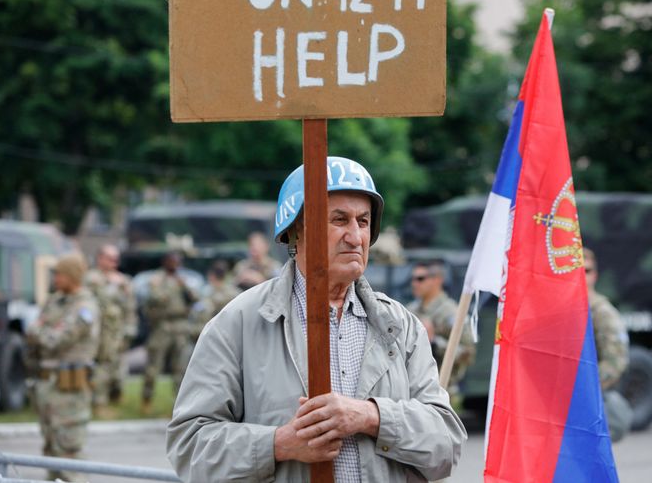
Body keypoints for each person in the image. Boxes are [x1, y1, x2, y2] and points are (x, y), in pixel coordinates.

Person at [167, 156, 466, 482]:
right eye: (340, 220)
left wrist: (370, 416)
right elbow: (190, 447)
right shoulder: (238, 324)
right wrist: (278, 444)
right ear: (297, 229)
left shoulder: (400, 327)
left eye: (364, 222)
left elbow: (446, 446)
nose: (355, 237)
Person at [25, 253, 100, 482]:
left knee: (69, 450)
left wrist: (38, 331)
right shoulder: (55, 300)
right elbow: (36, 333)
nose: (55, 278)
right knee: (49, 447)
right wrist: (39, 332)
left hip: (70, 390)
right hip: (47, 385)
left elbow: (55, 340)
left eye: (59, 274)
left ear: (71, 276)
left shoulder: (85, 306)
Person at [406, 260, 475, 396]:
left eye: (420, 279)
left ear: (437, 280)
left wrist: (434, 341)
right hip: (411, 388)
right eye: (413, 279)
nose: (415, 284)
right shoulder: (410, 311)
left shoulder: (452, 313)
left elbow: (468, 354)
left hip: (443, 389)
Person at [583, 248, 631, 441]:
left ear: (594, 275)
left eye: (586, 271)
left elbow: (615, 363)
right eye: (576, 269)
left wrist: (584, 390)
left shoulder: (602, 313)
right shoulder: (566, 309)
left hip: (589, 404)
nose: (581, 275)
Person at [141, 251, 198, 413]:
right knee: (154, 365)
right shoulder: (157, 279)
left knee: (180, 367)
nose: (175, 265)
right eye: (172, 261)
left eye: (178, 262)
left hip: (180, 325)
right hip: (162, 325)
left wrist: (183, 287)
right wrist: (165, 290)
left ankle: (179, 405)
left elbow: (194, 299)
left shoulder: (183, 280)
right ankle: (147, 398)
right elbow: (153, 299)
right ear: (165, 262)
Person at [85, 244, 137, 417]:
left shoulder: (123, 280)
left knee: (117, 365)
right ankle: (99, 402)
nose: (114, 262)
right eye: (110, 258)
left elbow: (130, 307)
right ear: (100, 258)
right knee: (102, 365)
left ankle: (114, 395)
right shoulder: (92, 279)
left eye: (116, 259)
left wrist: (130, 328)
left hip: (118, 330)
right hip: (100, 330)